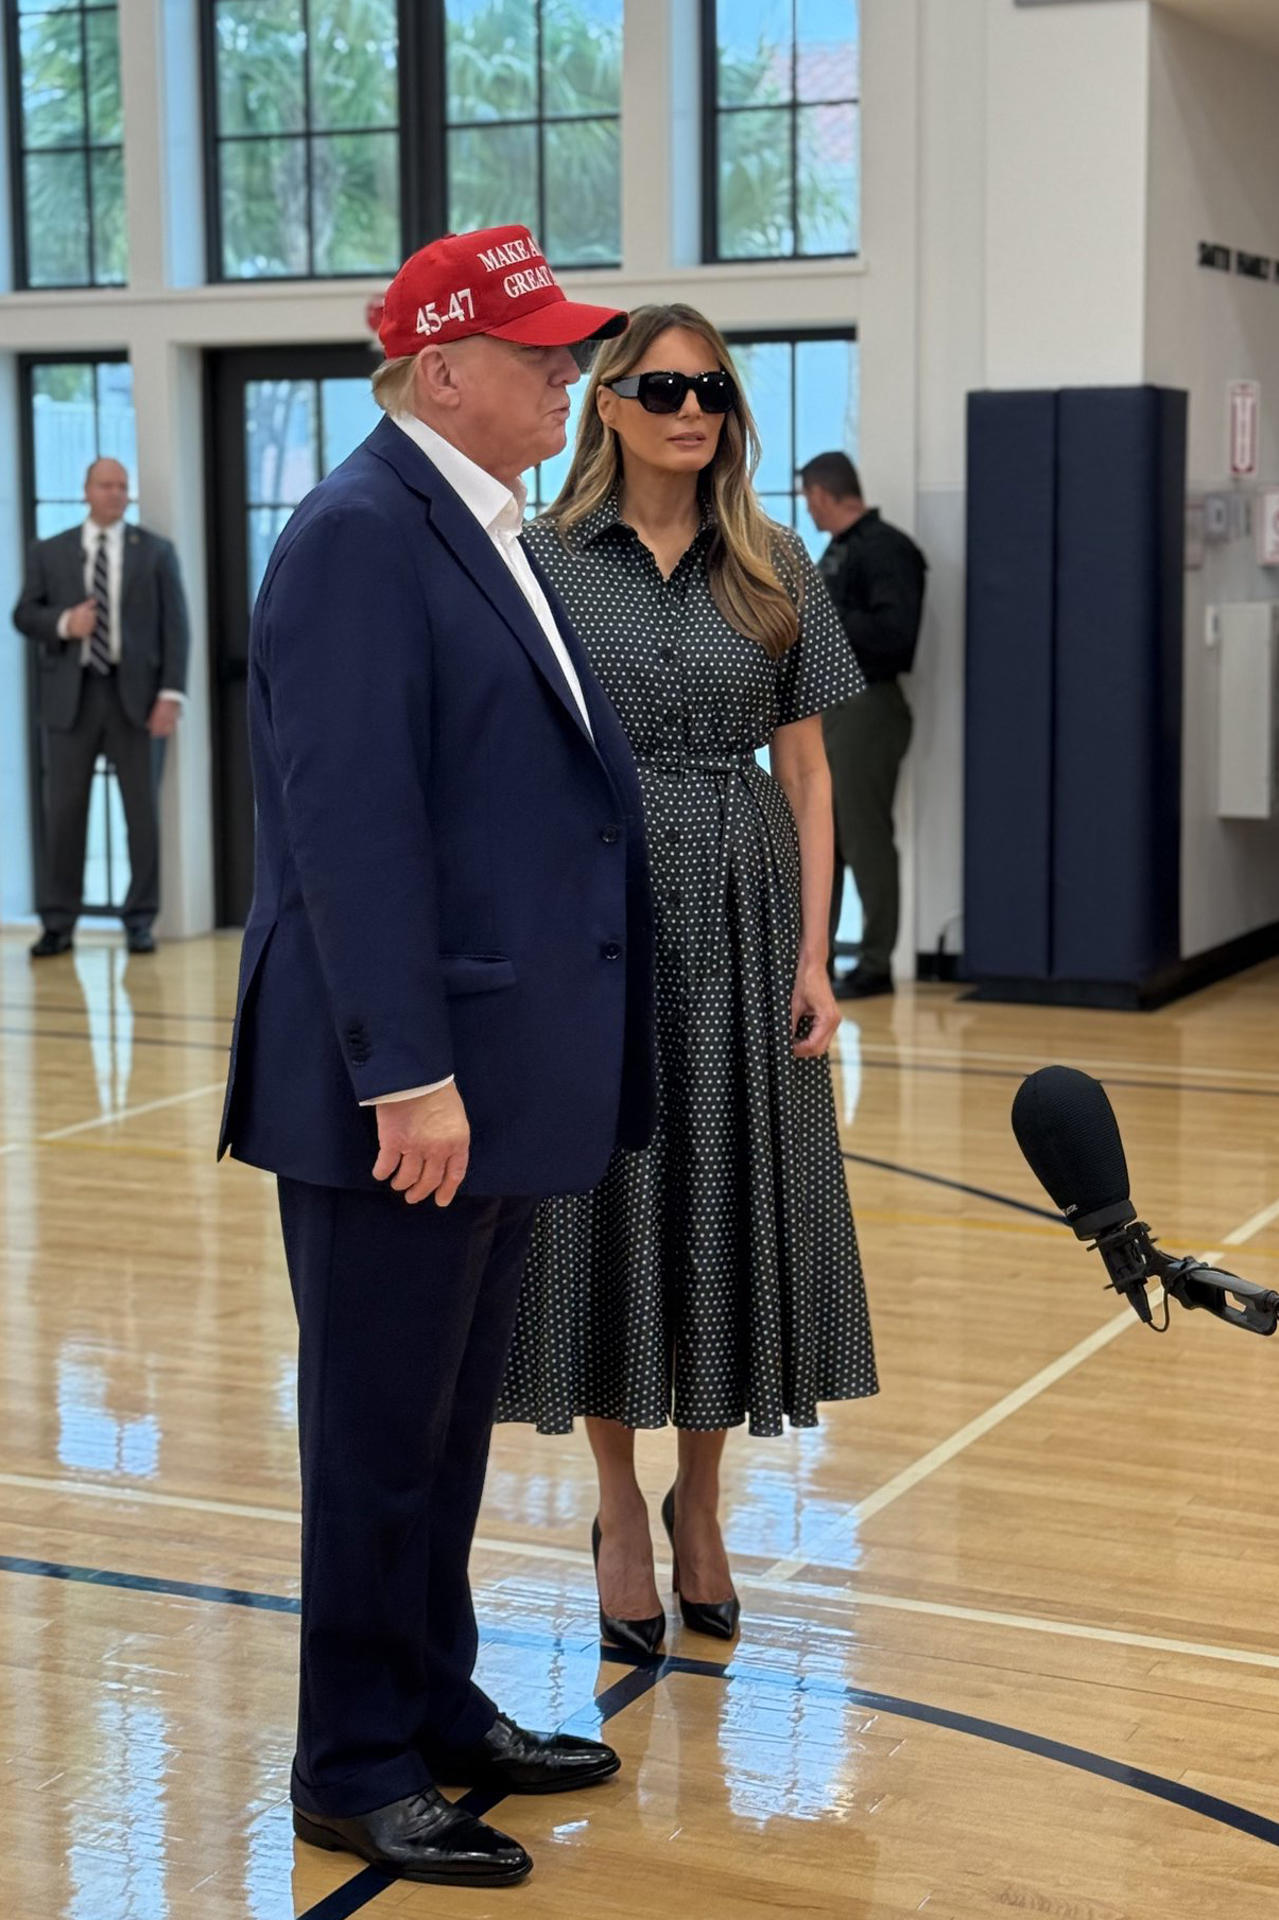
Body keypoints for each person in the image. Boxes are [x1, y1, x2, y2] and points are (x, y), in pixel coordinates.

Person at [218, 226, 656, 1889]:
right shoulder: (353, 536)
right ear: (439, 368)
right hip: (406, 1092)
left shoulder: (490, 525)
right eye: (538, 351)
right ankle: (350, 1760)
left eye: (568, 349)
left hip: (494, 1069)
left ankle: (436, 1707)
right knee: (375, 1435)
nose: (567, 374)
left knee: (447, 1429)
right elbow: (351, 830)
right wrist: (405, 1069)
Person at [498, 305, 878, 1655]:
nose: (689, 409)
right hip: (590, 913)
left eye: (710, 389)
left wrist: (814, 956)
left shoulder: (772, 561)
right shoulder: (538, 561)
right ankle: (613, 1504)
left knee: (725, 1196)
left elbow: (810, 770)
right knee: (604, 1212)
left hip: (740, 898)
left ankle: (700, 1505)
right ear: (607, 403)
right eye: (661, 387)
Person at [13, 458, 189, 957]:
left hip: (136, 703)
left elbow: (176, 629)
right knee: (65, 814)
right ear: (85, 490)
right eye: (105, 485)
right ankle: (59, 923)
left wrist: (170, 696)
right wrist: (66, 623)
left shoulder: (154, 553)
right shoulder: (49, 552)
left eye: (122, 487)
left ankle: (139, 921)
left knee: (141, 816)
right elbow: (24, 614)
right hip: (70, 701)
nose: (115, 494)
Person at [799, 452, 927, 1000]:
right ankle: (815, 960)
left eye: (808, 499)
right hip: (834, 708)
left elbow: (897, 636)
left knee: (865, 835)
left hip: (868, 704)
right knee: (826, 835)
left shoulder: (886, 549)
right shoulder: (841, 551)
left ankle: (875, 962)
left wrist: (822, 609)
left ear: (823, 494)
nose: (809, 510)